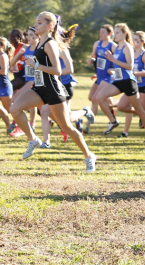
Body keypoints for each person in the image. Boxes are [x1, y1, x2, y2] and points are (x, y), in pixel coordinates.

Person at [10, 12, 96, 172]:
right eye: (36, 22)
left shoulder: (50, 44)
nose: (36, 25)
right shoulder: (39, 43)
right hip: (39, 88)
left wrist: (36, 66)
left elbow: (57, 70)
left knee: (67, 127)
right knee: (14, 109)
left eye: (40, 22)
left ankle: (89, 155)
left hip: (53, 90)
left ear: (49, 26)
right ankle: (33, 139)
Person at [93, 23, 145, 145]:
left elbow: (130, 66)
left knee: (140, 111)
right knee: (98, 97)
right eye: (115, 33)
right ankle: (113, 121)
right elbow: (117, 65)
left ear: (124, 34)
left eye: (117, 33)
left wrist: (113, 60)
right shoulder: (117, 48)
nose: (115, 35)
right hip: (118, 81)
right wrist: (113, 69)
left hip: (128, 82)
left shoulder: (127, 47)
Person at [116, 31, 145, 138]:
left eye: (136, 40)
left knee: (142, 113)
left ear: (142, 42)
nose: (133, 42)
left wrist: (134, 73)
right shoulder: (130, 52)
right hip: (132, 85)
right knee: (121, 106)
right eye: (132, 40)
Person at [86, 25, 117, 120]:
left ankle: (88, 124)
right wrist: (91, 59)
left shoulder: (113, 46)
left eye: (103, 33)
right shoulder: (96, 44)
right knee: (91, 97)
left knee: (95, 98)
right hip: (99, 76)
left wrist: (114, 70)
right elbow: (93, 56)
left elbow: (119, 62)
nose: (101, 34)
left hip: (108, 77)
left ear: (110, 34)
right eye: (100, 32)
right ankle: (117, 109)